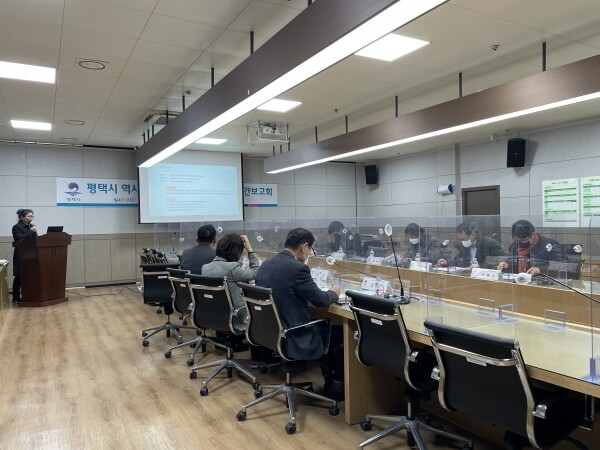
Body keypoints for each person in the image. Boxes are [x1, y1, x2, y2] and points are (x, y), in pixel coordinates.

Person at [255, 228, 345, 400]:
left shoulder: (266, 265)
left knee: (323, 325)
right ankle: (337, 386)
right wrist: (334, 292)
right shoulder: (298, 269)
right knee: (343, 334)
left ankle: (330, 381)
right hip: (294, 335)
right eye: (310, 249)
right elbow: (320, 300)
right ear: (304, 247)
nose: (309, 253)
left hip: (271, 332)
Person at [201, 233, 277, 368]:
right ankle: (260, 358)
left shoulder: (205, 267)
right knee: (262, 313)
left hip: (213, 317)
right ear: (236, 251)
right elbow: (257, 272)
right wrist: (250, 250)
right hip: (235, 317)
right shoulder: (233, 269)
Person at [497, 220, 567, 275]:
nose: (520, 243)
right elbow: (513, 261)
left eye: (523, 240)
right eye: (517, 240)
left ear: (534, 234)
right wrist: (506, 265)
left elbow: (564, 266)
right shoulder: (514, 246)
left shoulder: (550, 246)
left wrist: (541, 269)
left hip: (542, 283)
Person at [437, 221, 506, 268]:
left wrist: (481, 266)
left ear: (473, 234)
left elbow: (502, 261)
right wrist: (447, 262)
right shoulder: (462, 246)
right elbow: (458, 261)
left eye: (464, 239)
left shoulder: (490, 243)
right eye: (460, 239)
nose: (462, 242)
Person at [12, 209, 38, 303]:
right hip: (21, 255)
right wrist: (31, 231)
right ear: (22, 217)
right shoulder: (16, 227)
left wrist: (33, 232)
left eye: (32, 216)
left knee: (30, 276)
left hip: (31, 254)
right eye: (29, 216)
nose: (31, 218)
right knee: (19, 276)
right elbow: (19, 238)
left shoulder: (31, 226)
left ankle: (29, 295)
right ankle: (15, 298)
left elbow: (36, 239)